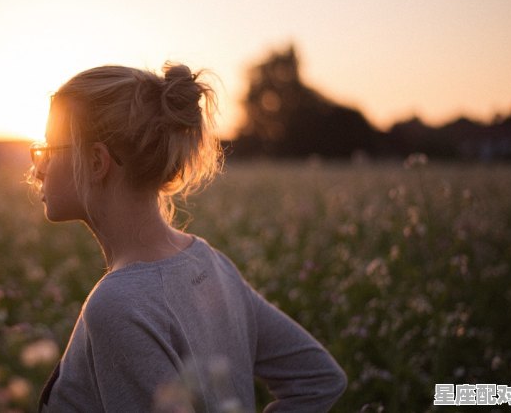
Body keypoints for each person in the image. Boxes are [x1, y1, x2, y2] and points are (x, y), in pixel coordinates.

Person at [29, 63, 347, 412]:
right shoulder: (211, 263)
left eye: (49, 147)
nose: (36, 167)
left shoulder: (117, 305)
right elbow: (319, 379)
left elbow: (320, 379)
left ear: (95, 162)